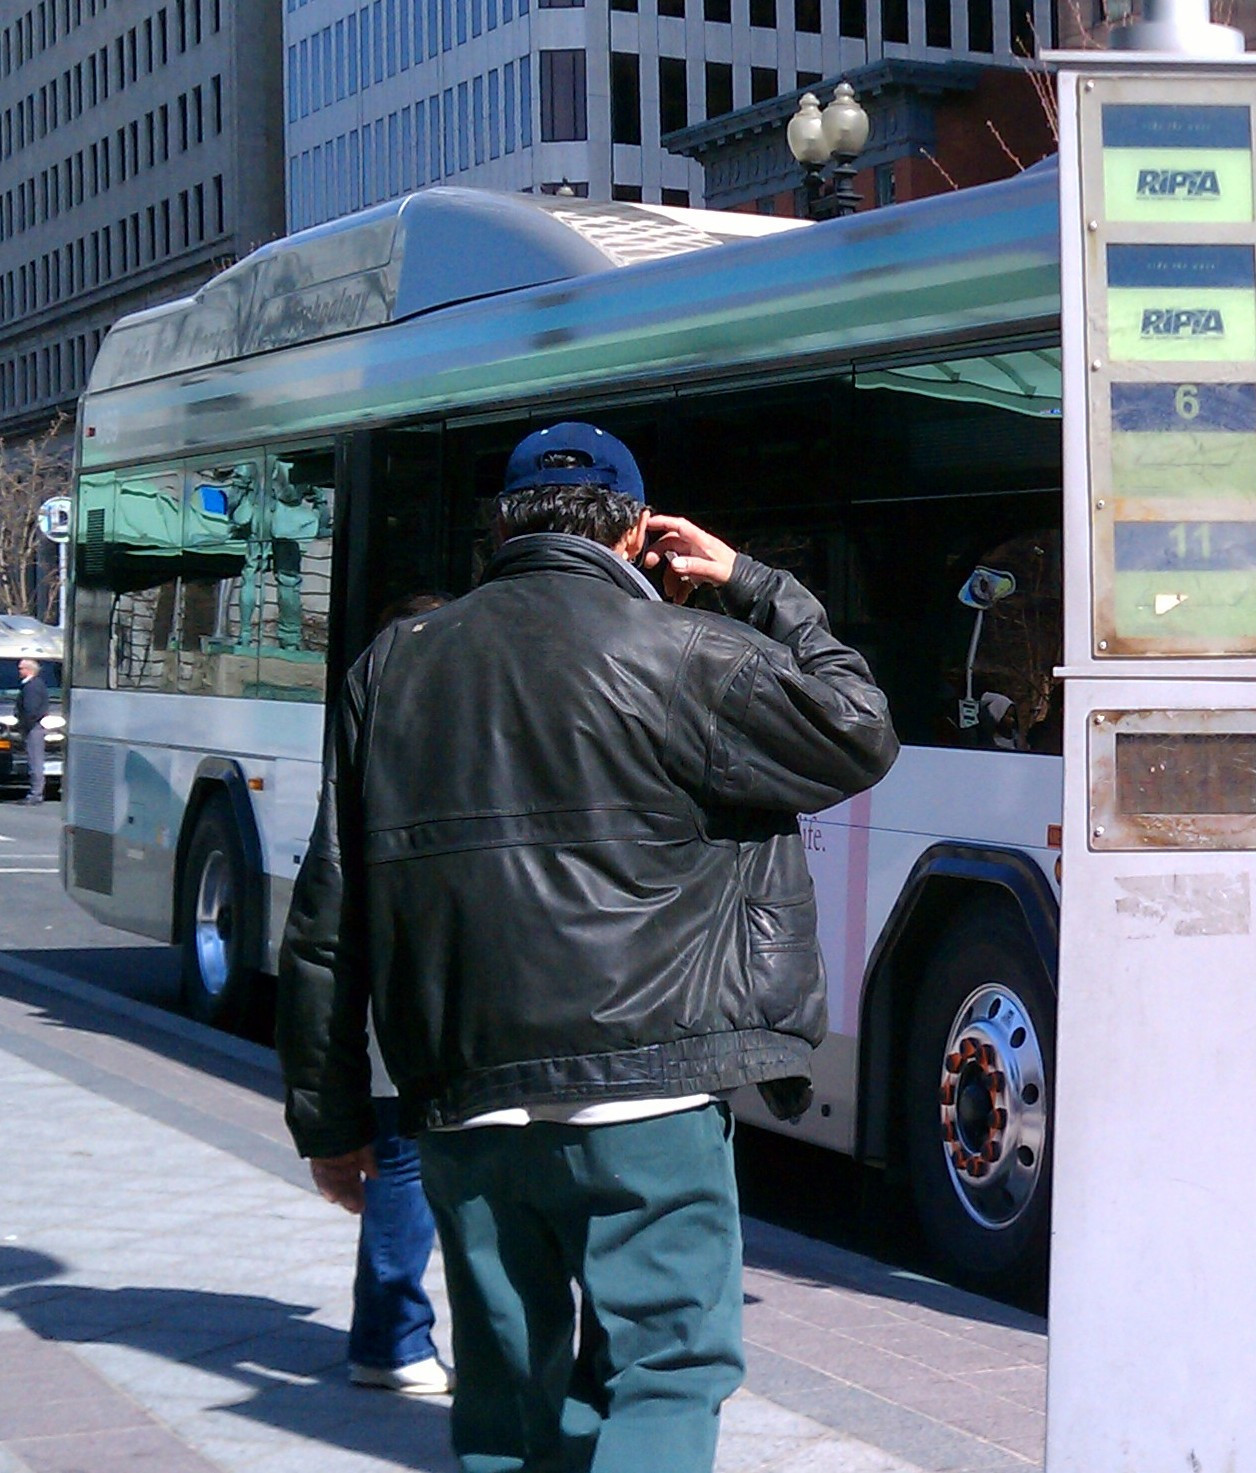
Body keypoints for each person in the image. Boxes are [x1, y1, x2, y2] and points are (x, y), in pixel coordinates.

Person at [275, 421, 899, 1473]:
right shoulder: (696, 654)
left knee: (508, 1396)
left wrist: (330, 1120)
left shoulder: (395, 666)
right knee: (664, 1372)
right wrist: (755, 583)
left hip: (465, 1093)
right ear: (636, 536)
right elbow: (859, 728)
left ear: (501, 526)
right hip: (648, 1094)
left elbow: (329, 909)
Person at [347, 594, 453, 1398]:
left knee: (403, 1160)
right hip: (421, 988)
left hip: (401, 985)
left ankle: (390, 1334)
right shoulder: (442, 734)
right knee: (407, 1163)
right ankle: (392, 1338)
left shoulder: (376, 725)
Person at [15, 658, 48, 803]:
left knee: (35, 760)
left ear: (29, 670)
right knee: (35, 760)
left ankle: (36, 794)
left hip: (33, 728)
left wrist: (24, 724)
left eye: (21, 668)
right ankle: (36, 792)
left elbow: (31, 709)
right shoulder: (35, 684)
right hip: (34, 726)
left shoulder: (32, 686)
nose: (19, 671)